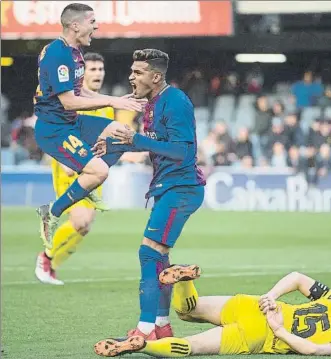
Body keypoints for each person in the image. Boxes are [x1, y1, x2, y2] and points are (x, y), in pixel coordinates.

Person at [93, 49, 206, 340]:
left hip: (180, 189)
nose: (131, 77)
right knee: (159, 259)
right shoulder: (153, 103)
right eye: (131, 71)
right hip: (167, 187)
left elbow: (182, 151)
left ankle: (143, 331)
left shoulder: (176, 101)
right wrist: (118, 147)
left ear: (155, 77)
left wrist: (135, 139)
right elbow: (155, 142)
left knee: (148, 253)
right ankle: (161, 326)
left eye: (138, 72)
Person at [94, 267, 331, 357]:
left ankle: (184, 283)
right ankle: (142, 345)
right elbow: (313, 350)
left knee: (188, 311)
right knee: (192, 346)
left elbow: (298, 277)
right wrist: (279, 330)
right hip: (260, 331)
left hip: (253, 304)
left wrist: (269, 296)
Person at [33, 3, 144, 250]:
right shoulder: (58, 55)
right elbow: (69, 101)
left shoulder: (73, 52)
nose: (96, 25)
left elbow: (78, 89)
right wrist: (112, 100)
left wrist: (116, 100)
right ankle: (51, 212)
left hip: (70, 122)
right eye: (92, 21)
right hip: (54, 128)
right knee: (100, 172)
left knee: (122, 133)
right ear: (75, 25)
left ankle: (86, 185)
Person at [35, 52, 114, 285]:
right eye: (92, 69)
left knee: (84, 226)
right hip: (69, 168)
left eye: (101, 69)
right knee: (81, 219)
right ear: (81, 73)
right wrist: (65, 162)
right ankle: (46, 258)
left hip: (91, 170)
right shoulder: (72, 102)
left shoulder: (105, 108)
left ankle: (51, 266)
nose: (98, 73)